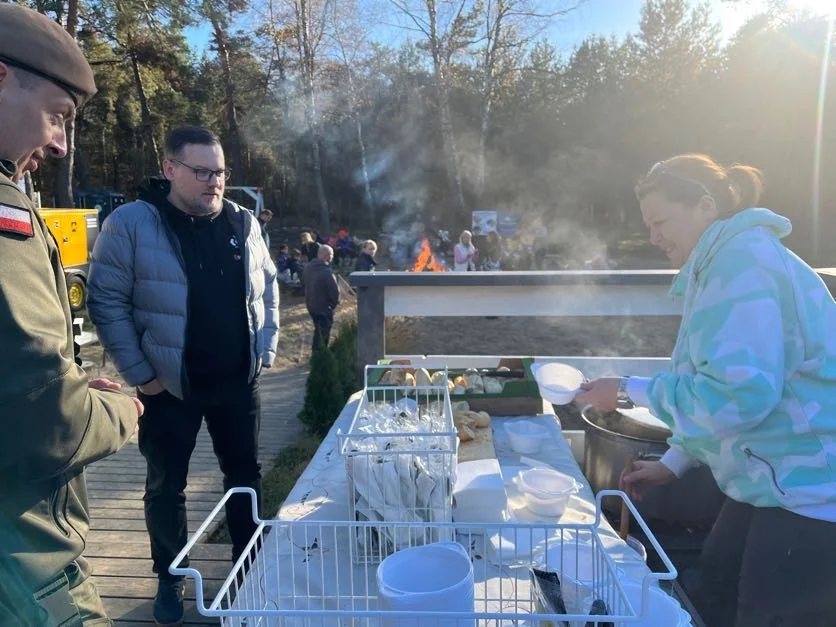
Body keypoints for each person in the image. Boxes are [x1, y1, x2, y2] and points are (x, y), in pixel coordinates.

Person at [575, 153, 836, 627]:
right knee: (710, 588)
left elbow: (738, 398)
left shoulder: (742, 263)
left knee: (763, 614)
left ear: (705, 205)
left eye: (660, 221)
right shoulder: (722, 260)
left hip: (813, 488)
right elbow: (719, 386)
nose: (653, 237)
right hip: (772, 476)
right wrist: (675, 463)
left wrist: (629, 390)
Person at [86, 125, 279, 625]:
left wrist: (267, 350)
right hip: (169, 386)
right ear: (170, 169)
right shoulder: (131, 223)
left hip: (239, 382)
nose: (213, 182)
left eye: (219, 172)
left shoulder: (243, 221)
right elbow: (106, 300)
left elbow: (268, 287)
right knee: (165, 485)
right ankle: (171, 576)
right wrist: (140, 374)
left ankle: (248, 567)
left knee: (245, 478)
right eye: (201, 172)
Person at [0, 5, 143, 624]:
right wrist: (120, 407)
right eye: (56, 115)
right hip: (23, 559)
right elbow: (46, 419)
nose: (59, 143)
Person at [303, 244, 340, 352]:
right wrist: (332, 306)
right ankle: (319, 357)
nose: (332, 257)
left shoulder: (307, 267)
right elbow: (335, 293)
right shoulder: (327, 272)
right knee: (323, 334)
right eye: (332, 255)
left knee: (318, 330)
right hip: (324, 308)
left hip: (311, 305)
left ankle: (317, 355)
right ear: (327, 256)